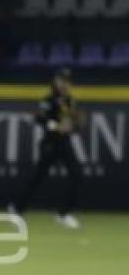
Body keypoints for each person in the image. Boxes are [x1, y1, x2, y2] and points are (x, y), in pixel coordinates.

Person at [9, 68, 84, 229]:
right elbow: (40, 120)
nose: (65, 84)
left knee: (77, 175)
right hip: (50, 143)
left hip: (64, 143)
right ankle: (16, 210)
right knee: (37, 178)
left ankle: (63, 214)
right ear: (55, 81)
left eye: (67, 81)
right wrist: (57, 126)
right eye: (61, 80)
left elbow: (74, 123)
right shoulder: (48, 100)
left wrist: (75, 126)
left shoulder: (70, 100)